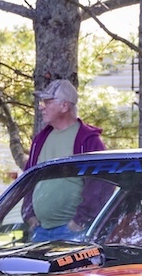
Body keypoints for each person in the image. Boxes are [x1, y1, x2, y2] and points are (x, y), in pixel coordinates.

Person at [22, 79, 106, 242]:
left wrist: (79, 221)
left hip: (72, 233)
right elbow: (28, 179)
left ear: (64, 106)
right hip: (40, 231)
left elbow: (101, 184)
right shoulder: (40, 139)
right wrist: (29, 215)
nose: (41, 107)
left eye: (47, 102)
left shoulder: (88, 140)